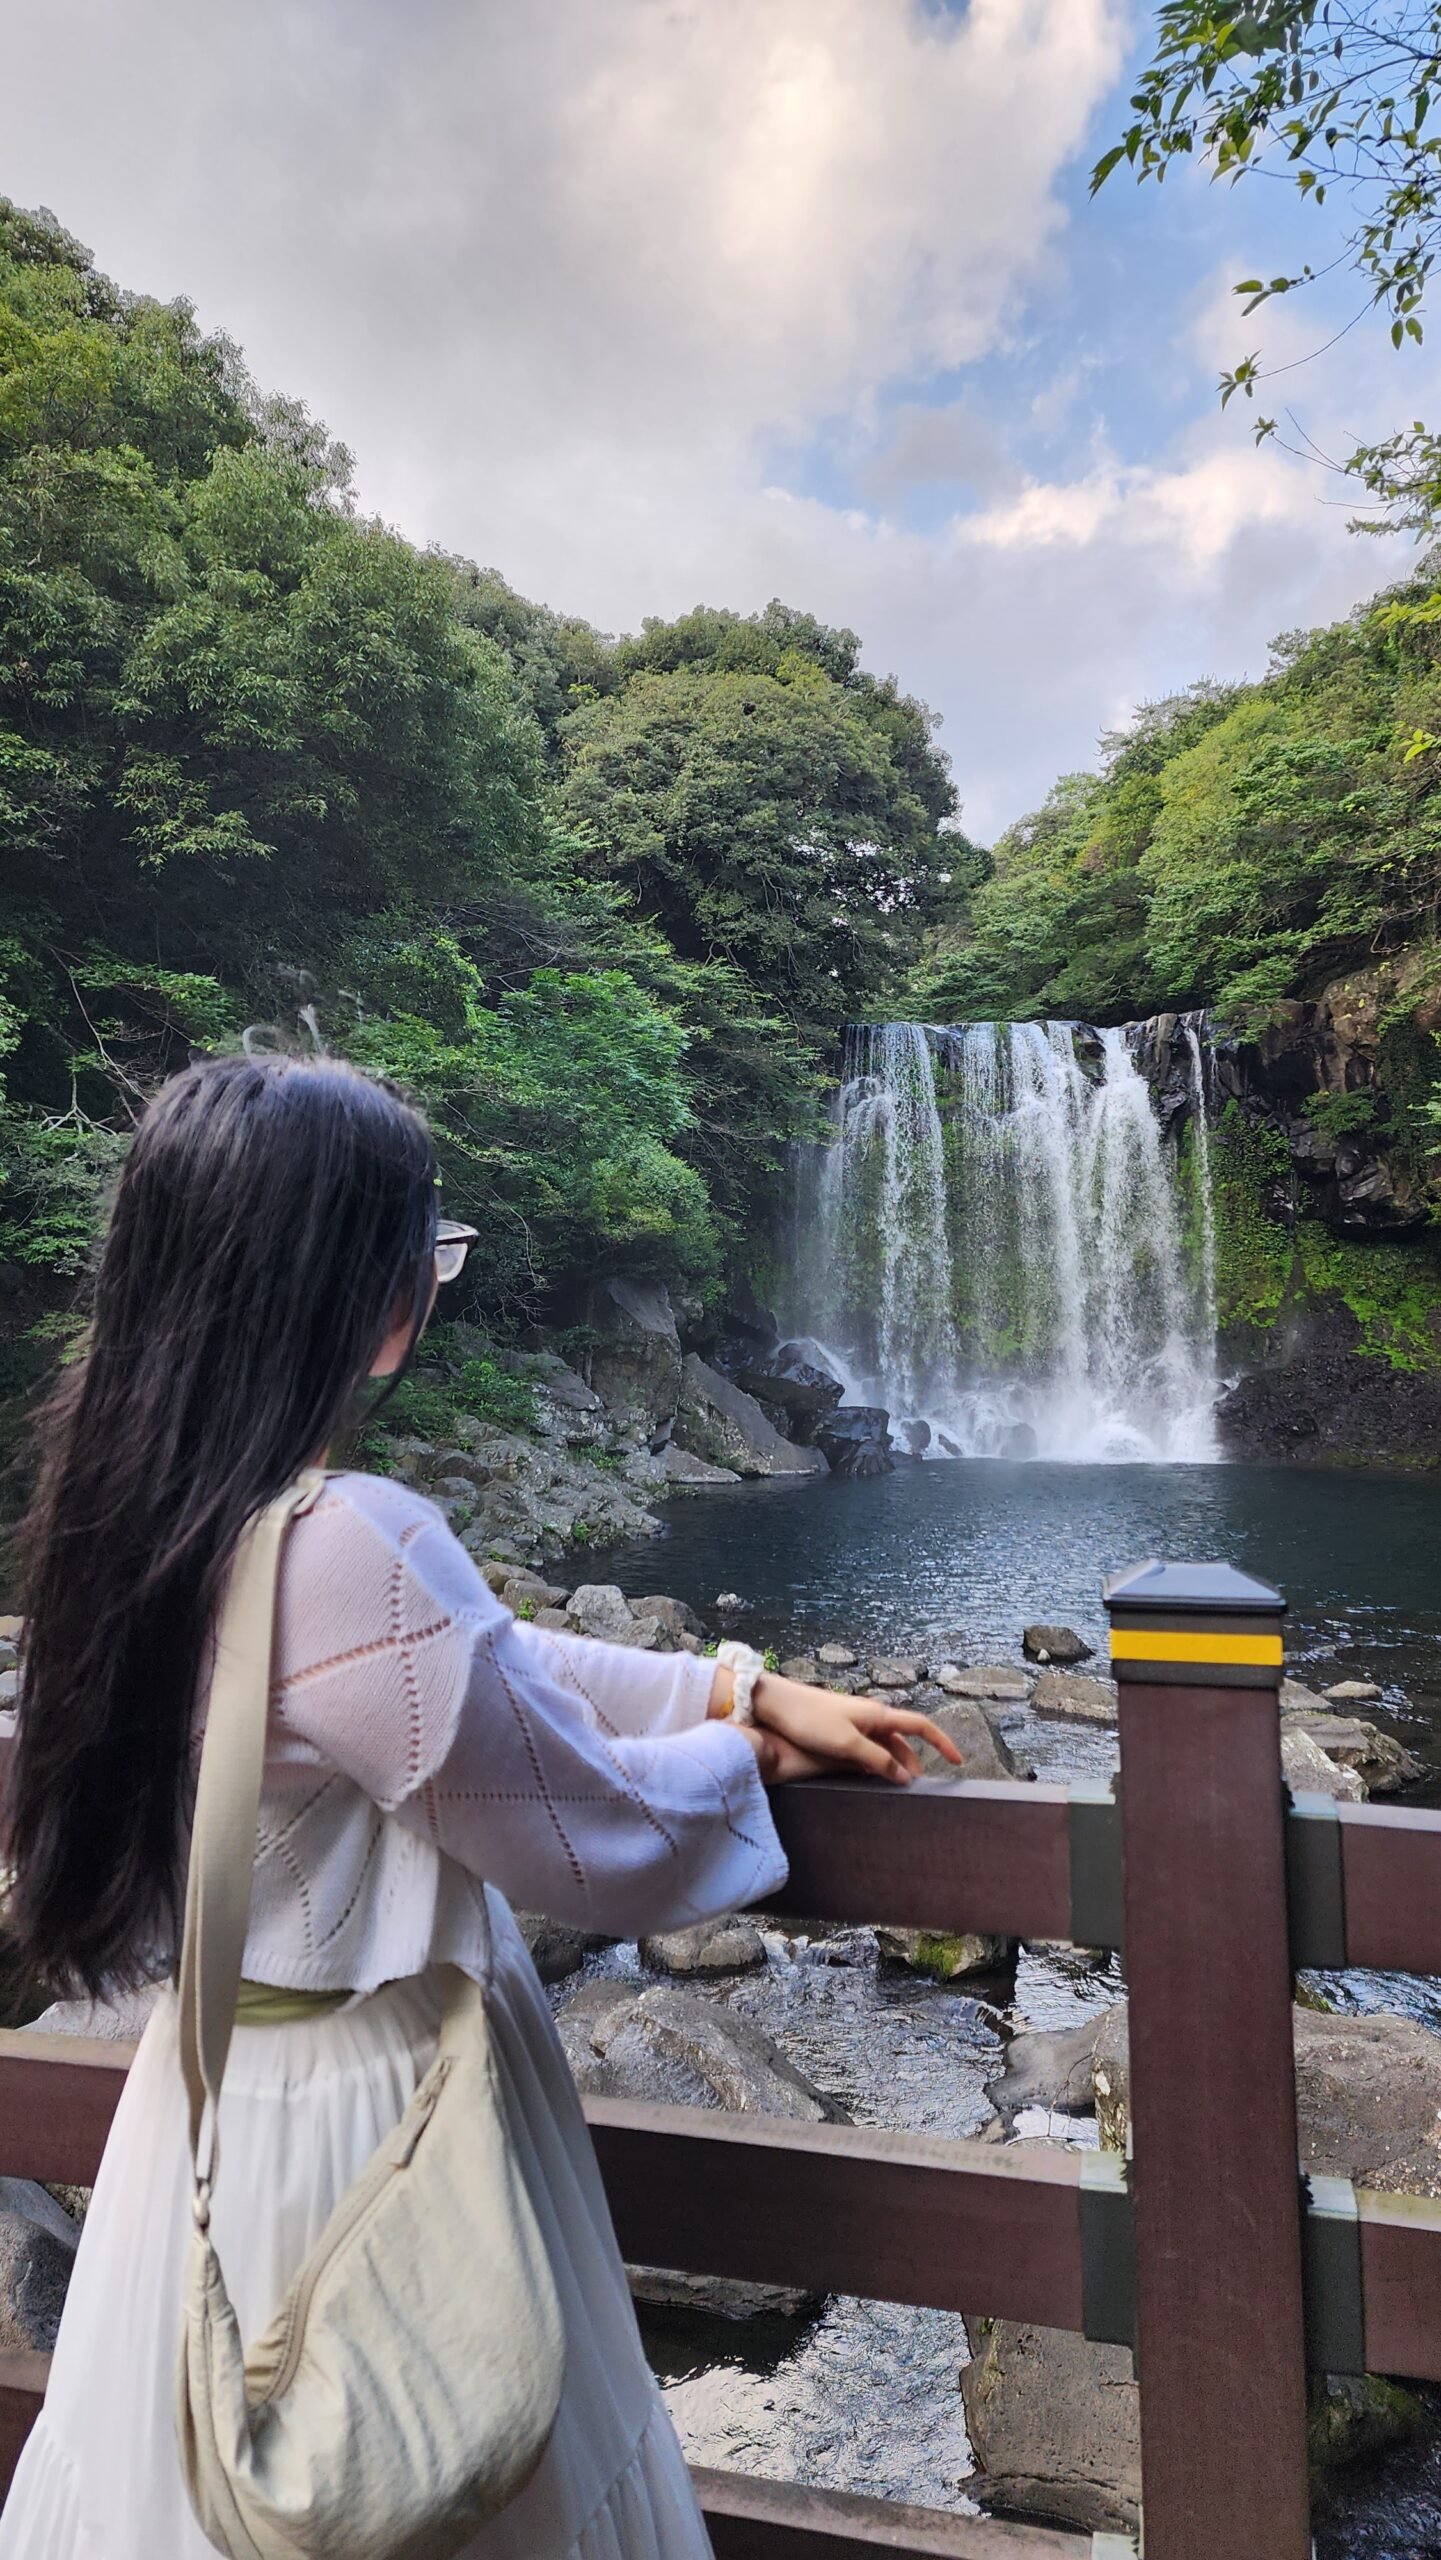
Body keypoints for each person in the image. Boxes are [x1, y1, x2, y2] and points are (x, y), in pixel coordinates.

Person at [0, 1052, 960, 2560]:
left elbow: (468, 1670)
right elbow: (587, 1841)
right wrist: (747, 1762)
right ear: (363, 1292)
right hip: (386, 2118)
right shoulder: (351, 1536)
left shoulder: (130, 1510)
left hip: (209, 2105)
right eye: (426, 1253)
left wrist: (726, 1686)